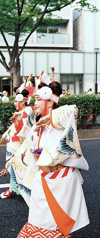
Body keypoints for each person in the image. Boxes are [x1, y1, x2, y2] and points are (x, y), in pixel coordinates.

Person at [13, 82, 89, 237]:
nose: (35, 102)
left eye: (39, 98)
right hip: (43, 179)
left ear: (49, 100)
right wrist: (13, 162)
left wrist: (51, 117)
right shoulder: (39, 126)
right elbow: (26, 149)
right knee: (37, 222)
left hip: (60, 182)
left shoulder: (60, 122)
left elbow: (72, 109)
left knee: (56, 225)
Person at [0, 88, 36, 199]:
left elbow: (26, 127)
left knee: (18, 166)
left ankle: (16, 190)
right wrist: (5, 134)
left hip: (23, 144)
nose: (15, 103)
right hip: (16, 144)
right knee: (15, 167)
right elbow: (15, 126)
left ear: (22, 101)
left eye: (16, 101)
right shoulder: (21, 112)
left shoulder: (28, 110)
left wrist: (19, 116)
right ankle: (14, 189)